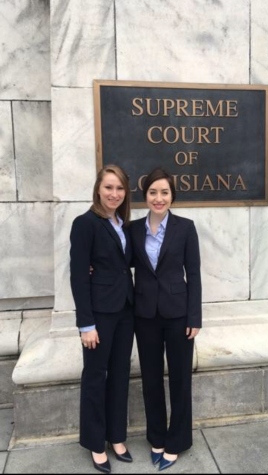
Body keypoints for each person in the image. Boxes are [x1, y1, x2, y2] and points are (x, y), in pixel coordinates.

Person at [129, 167, 202, 471]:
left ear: (172, 196)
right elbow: (120, 264)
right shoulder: (132, 230)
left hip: (178, 314)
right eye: (153, 192)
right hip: (145, 315)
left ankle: (178, 440)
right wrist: (94, 268)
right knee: (150, 379)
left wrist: (195, 317)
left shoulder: (186, 228)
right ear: (145, 196)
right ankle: (157, 437)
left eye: (165, 192)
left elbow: (194, 274)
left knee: (181, 378)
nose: (159, 198)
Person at [69, 164, 134, 474]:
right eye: (109, 187)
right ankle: (96, 443)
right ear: (98, 189)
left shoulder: (123, 223)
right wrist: (86, 323)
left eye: (119, 188)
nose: (114, 193)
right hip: (99, 315)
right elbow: (79, 276)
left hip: (125, 311)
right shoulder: (85, 224)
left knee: (121, 374)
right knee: (96, 376)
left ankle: (116, 436)